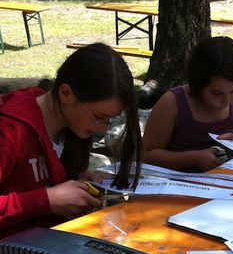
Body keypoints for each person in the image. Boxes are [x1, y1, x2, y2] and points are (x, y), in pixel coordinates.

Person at [0, 43, 142, 239]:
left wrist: (76, 182)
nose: (102, 128)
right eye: (98, 117)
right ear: (66, 94)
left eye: (109, 120)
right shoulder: (11, 132)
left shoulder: (69, 130)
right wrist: (47, 199)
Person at [142, 36, 233, 172]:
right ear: (198, 83)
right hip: (180, 182)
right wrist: (194, 158)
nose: (227, 100)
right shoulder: (173, 103)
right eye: (216, 93)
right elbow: (147, 155)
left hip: (231, 180)